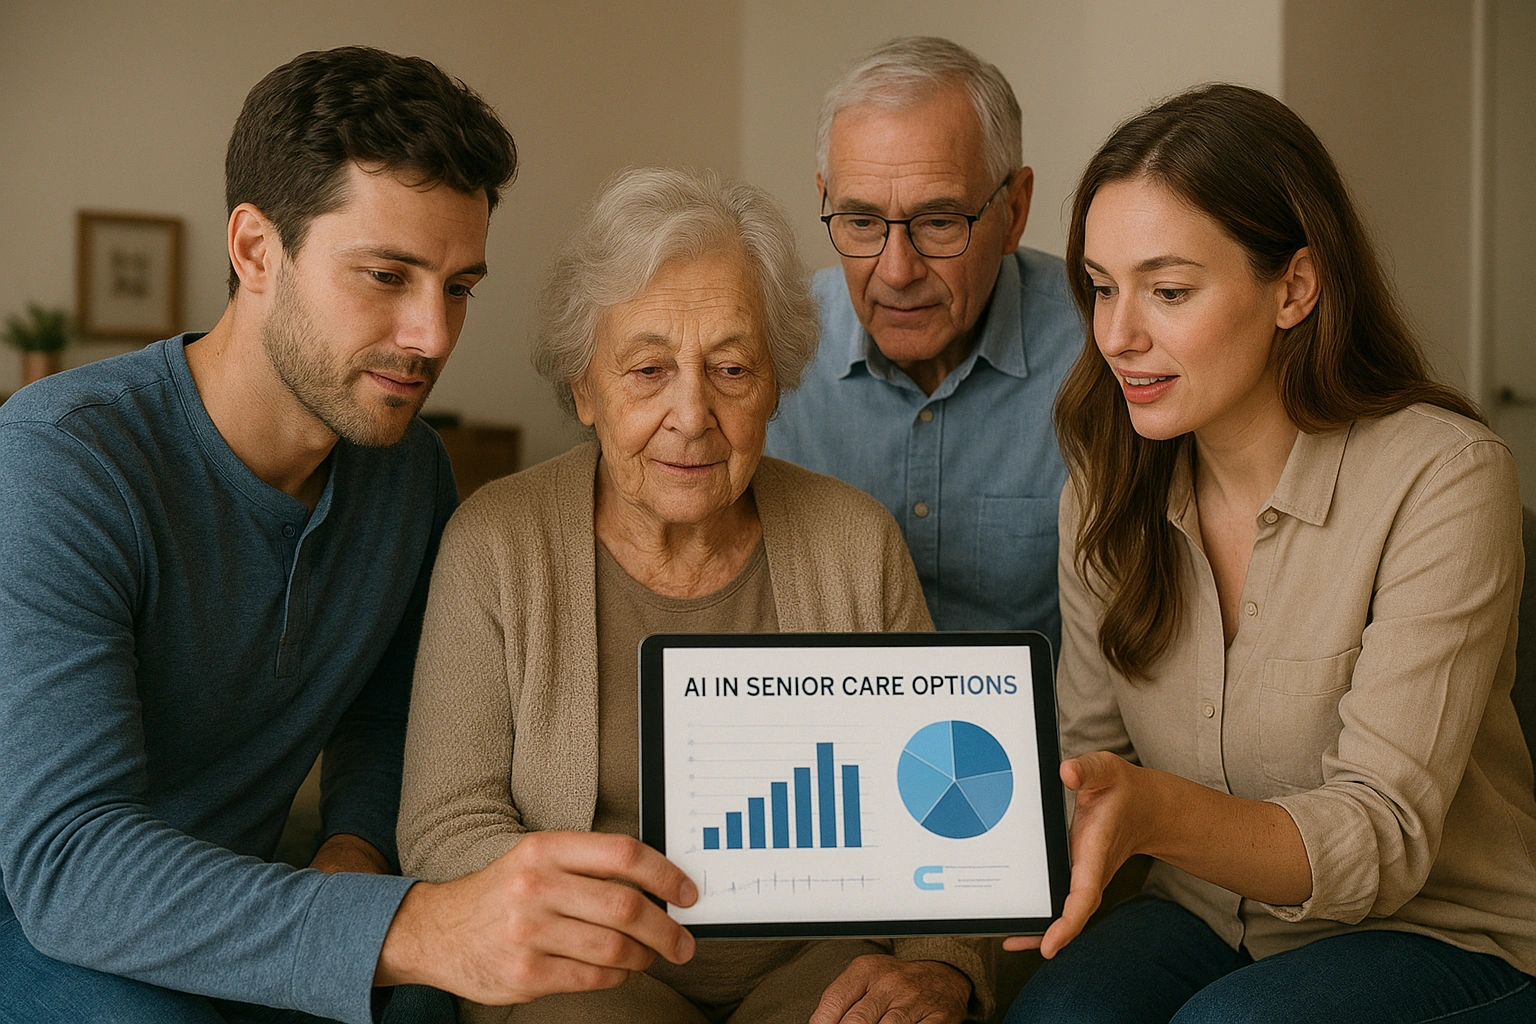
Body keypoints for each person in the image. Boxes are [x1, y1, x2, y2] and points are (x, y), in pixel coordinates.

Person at [397, 167, 993, 1024]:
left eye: (731, 369)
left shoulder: (856, 543)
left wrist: (944, 966)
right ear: (583, 389)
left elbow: (942, 798)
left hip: (815, 963)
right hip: (586, 965)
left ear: (777, 387)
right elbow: (447, 822)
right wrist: (603, 909)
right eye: (646, 370)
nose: (691, 413)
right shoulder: (497, 543)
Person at [0, 46, 518, 1023]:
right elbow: (66, 860)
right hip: (44, 924)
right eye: (387, 275)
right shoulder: (60, 463)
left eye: (458, 287)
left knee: (428, 1006)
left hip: (246, 906)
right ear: (254, 251)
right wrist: (408, 927)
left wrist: (354, 856)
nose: (433, 336)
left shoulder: (409, 472)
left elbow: (388, 709)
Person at [1002, 83, 1536, 1022]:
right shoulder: (1103, 482)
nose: (1118, 335)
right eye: (1100, 286)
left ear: (1295, 286)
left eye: (1168, 291)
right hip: (1204, 914)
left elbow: (1383, 836)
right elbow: (1091, 762)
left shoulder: (1444, 477)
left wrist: (1155, 812)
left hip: (1439, 929)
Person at [766, 36, 1080, 650]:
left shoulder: (1103, 352)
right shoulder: (770, 350)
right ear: (825, 198)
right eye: (861, 222)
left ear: (1014, 211)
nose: (896, 270)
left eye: (939, 222)